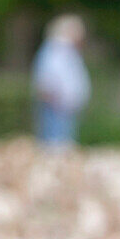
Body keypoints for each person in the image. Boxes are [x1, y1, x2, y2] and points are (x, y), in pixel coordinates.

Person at [31, 14, 90, 146]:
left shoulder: (64, 50)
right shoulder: (57, 49)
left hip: (63, 104)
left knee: (60, 143)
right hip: (57, 104)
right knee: (56, 144)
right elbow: (50, 77)